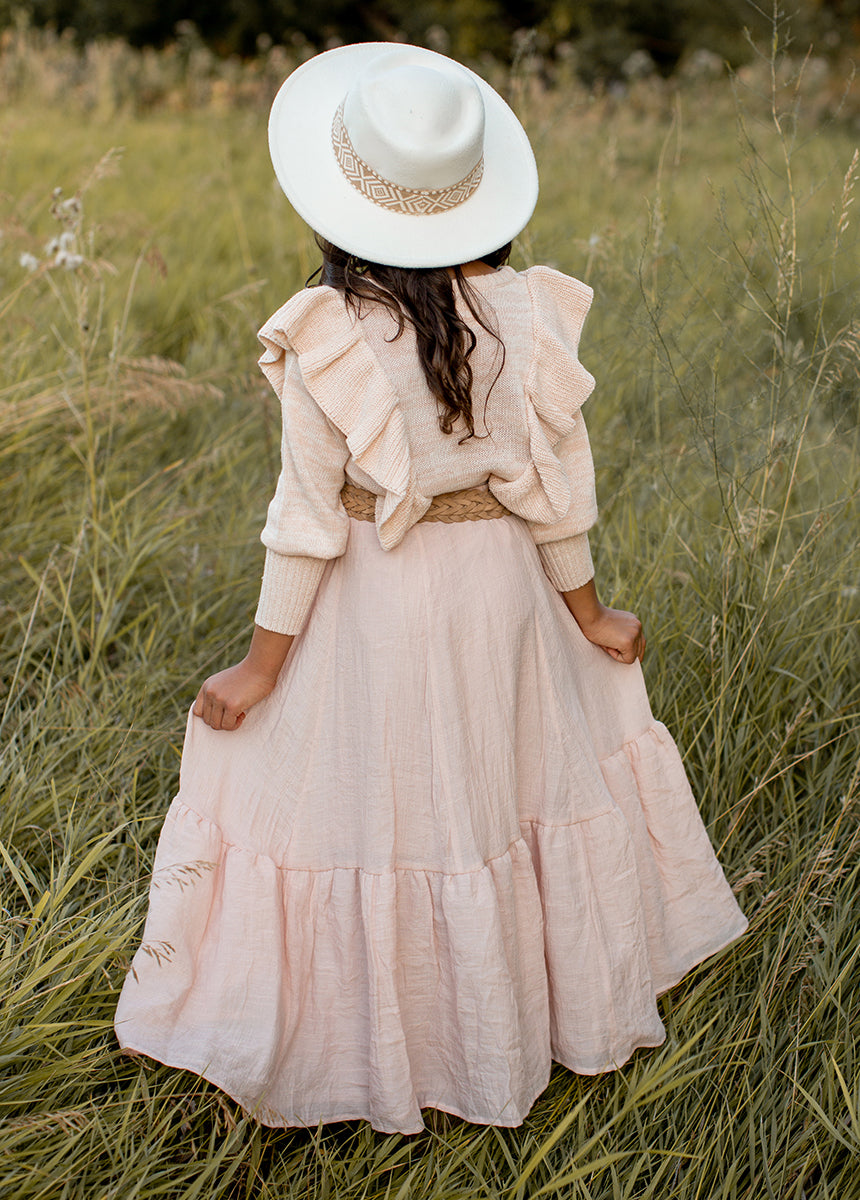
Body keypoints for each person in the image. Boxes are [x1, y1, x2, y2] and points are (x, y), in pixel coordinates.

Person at [114, 41, 748, 1136]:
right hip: (503, 597)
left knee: (390, 799)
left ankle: (403, 1035)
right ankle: (509, 1020)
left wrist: (260, 667)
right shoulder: (526, 315)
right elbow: (555, 496)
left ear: (341, 201)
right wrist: (588, 614)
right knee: (499, 787)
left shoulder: (330, 334)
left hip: (382, 602)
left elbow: (306, 522)